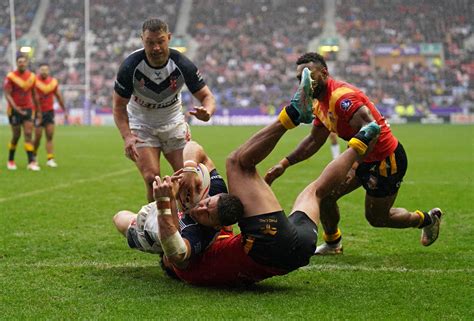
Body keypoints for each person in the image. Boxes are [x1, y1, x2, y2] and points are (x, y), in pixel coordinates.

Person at [156, 68, 381, 286]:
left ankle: (362, 140)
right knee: (237, 163)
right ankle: (292, 114)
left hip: (298, 252)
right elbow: (175, 250)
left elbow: (195, 149)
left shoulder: (207, 242)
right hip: (265, 244)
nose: (202, 207)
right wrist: (165, 204)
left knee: (316, 191)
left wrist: (189, 168)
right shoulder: (184, 265)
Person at [264, 52, 442, 255]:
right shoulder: (317, 102)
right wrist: (284, 164)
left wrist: (351, 163)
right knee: (325, 194)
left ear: (324, 73)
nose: (306, 81)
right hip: (360, 157)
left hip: (385, 160)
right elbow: (314, 140)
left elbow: (370, 130)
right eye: (301, 78)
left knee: (377, 218)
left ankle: (427, 220)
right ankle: (333, 244)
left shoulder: (341, 98)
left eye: (310, 75)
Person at [113, 18, 216, 201]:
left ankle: (188, 223)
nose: (156, 48)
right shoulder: (130, 66)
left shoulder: (182, 63)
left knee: (186, 177)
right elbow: (119, 107)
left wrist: (207, 111)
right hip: (141, 124)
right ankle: (156, 224)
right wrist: (127, 136)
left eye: (160, 41)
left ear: (169, 38)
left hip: (173, 123)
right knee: (153, 179)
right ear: (142, 40)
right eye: (150, 42)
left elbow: (207, 96)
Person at [112, 141, 242, 268]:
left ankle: (139, 233)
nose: (200, 209)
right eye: (206, 203)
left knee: (119, 217)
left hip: (154, 229)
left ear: (216, 226)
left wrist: (168, 200)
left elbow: (176, 253)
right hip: (162, 209)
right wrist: (190, 168)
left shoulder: (200, 235)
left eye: (207, 215)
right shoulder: (217, 189)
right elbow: (193, 146)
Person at [4, 55, 40, 171]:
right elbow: (7, 94)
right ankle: (10, 160)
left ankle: (31, 162)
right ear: (16, 63)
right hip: (14, 109)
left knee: (28, 133)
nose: (22, 64)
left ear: (27, 63)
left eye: (24, 62)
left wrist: (38, 110)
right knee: (16, 135)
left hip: (28, 108)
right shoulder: (11, 76)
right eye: (20, 62)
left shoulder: (32, 77)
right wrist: (15, 107)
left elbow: (34, 94)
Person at [33, 63, 67, 168]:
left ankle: (50, 158)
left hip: (49, 112)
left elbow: (58, 96)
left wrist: (64, 109)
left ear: (49, 71)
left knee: (49, 135)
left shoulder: (53, 82)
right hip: (38, 112)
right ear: (39, 70)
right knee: (38, 136)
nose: (44, 71)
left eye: (46, 69)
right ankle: (33, 157)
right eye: (42, 69)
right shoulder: (34, 81)